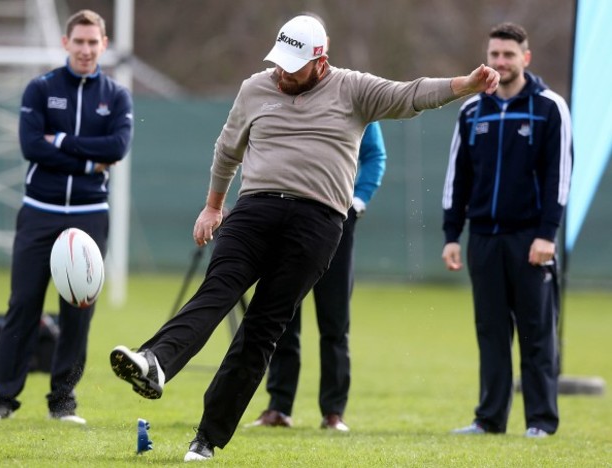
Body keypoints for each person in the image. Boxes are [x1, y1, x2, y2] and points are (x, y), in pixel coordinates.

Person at [110, 14, 498, 462]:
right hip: (254, 210)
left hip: (318, 222)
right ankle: (155, 362)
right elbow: (227, 148)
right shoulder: (256, 87)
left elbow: (410, 93)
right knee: (217, 290)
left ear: (320, 61)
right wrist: (214, 205)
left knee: (262, 328)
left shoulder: (353, 88)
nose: (282, 73)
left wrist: (465, 84)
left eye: (292, 66)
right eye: (279, 62)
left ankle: (206, 439)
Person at [0, 9, 133, 424]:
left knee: (78, 310)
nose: (85, 49)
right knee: (23, 304)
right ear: (66, 43)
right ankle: (2, 400)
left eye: (92, 42)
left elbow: (116, 148)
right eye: (78, 42)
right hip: (39, 212)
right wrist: (86, 159)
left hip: (89, 215)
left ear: (104, 45)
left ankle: (63, 401)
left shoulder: (116, 96)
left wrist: (61, 140)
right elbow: (32, 146)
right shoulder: (41, 88)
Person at [441, 22, 572, 438]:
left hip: (531, 239)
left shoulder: (550, 107)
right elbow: (456, 178)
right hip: (483, 239)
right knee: (491, 333)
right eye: (494, 54)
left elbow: (559, 177)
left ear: (525, 59)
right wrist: (451, 235)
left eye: (508, 55)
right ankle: (489, 419)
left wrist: (547, 234)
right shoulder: (470, 110)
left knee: (537, 334)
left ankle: (541, 422)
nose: (500, 62)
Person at [250, 121, 386, 432]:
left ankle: (333, 413)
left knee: (335, 320)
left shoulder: (353, 99)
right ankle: (278, 407)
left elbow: (375, 155)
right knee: (281, 317)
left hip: (336, 218)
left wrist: (359, 200)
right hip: (285, 220)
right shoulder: (286, 100)